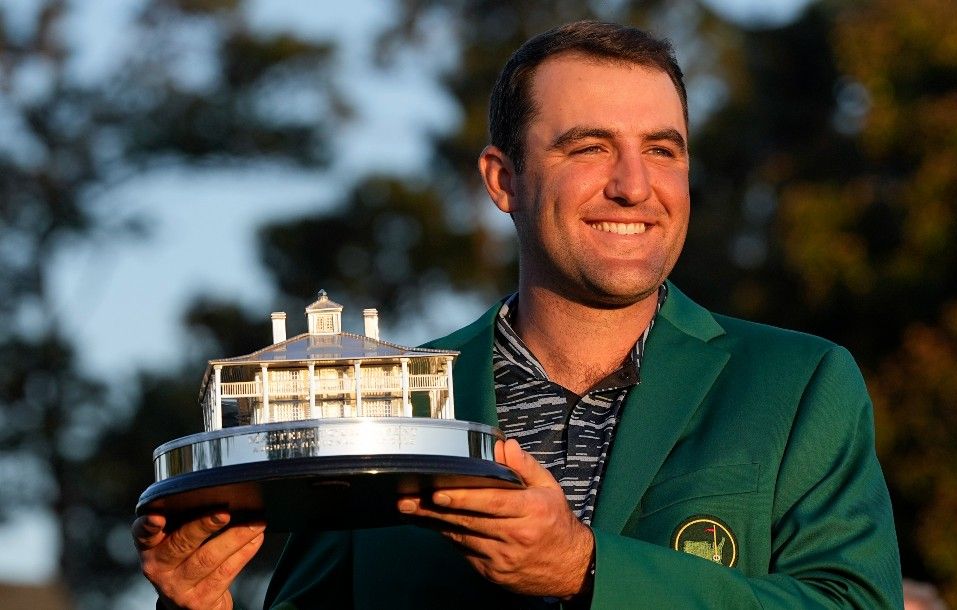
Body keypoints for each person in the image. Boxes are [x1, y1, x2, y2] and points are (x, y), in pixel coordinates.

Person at [134, 20, 903, 609]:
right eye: (589, 148)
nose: (635, 185)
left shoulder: (798, 384)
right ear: (503, 180)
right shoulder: (386, 399)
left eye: (663, 150)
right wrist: (198, 604)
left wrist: (589, 571)